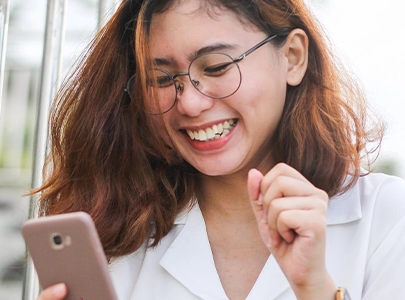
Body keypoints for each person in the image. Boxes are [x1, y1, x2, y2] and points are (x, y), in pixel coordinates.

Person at [35, 0, 405, 299]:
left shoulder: (387, 217)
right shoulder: (116, 229)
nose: (190, 104)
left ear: (292, 56)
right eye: (162, 79)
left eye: (216, 67)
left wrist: (317, 292)